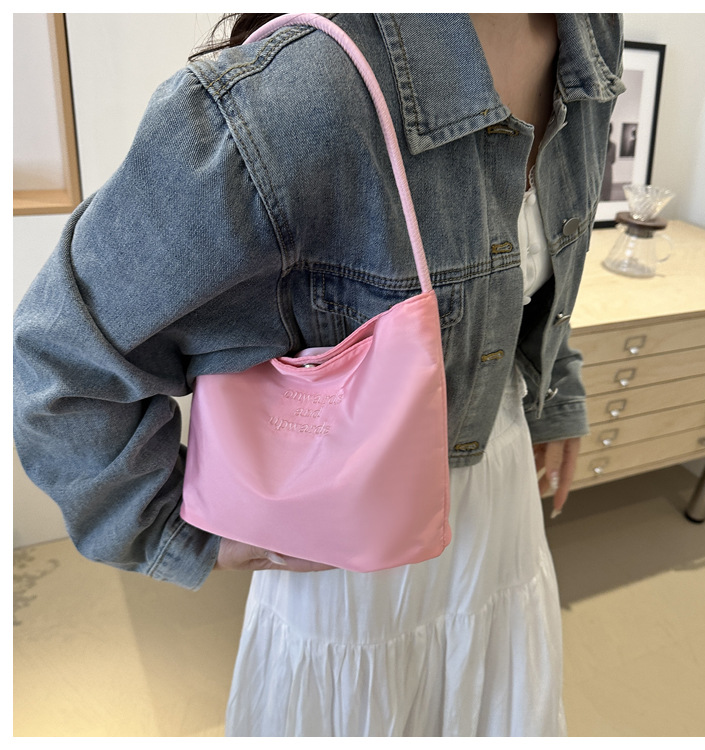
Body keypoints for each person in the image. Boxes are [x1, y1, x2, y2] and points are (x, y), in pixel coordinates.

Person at [13, 13, 624, 737]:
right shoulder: (290, 97)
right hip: (346, 540)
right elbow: (60, 362)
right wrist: (169, 524)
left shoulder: (591, 32)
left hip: (500, 501)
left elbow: (539, 256)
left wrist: (557, 389)